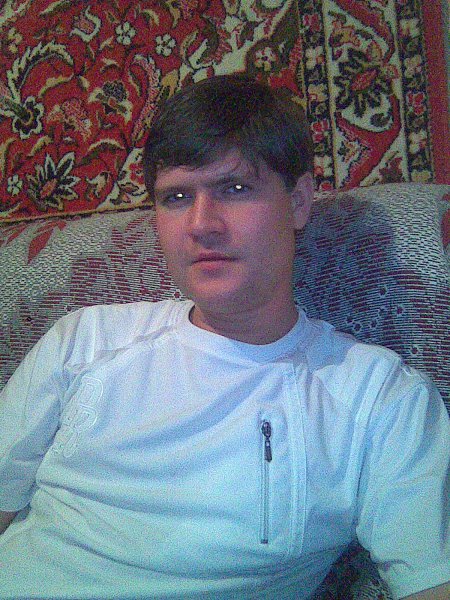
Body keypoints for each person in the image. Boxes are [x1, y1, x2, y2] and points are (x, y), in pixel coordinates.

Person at [0, 74, 448, 600]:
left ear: (299, 201)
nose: (201, 224)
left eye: (235, 189)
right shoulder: (84, 340)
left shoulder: (380, 399)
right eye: (176, 197)